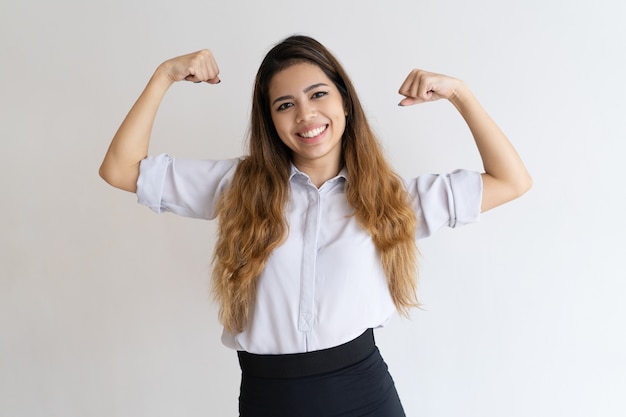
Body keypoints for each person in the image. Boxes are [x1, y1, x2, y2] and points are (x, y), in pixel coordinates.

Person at [100, 35, 531, 417]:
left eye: (318, 94)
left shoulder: (393, 200)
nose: (305, 115)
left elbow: (511, 181)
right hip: (268, 398)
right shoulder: (236, 186)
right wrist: (164, 76)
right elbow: (120, 169)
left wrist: (460, 94)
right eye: (285, 105)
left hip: (363, 396)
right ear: (271, 121)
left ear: (344, 101)